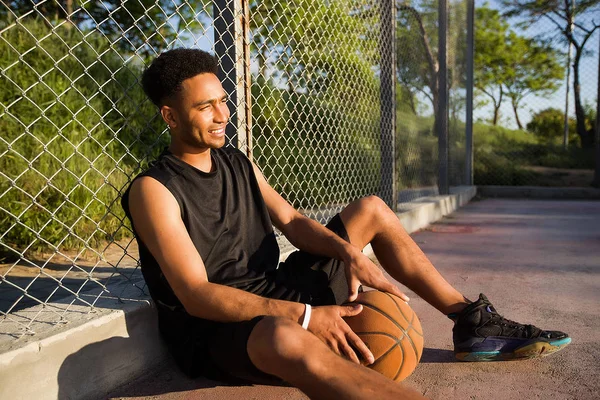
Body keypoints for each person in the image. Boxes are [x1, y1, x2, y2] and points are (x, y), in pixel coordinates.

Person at [121, 48, 570, 399]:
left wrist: (350, 254)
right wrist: (307, 316)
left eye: (223, 101)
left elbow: (294, 221)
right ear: (171, 116)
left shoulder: (236, 161)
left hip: (276, 286)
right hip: (222, 328)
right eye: (205, 108)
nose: (222, 116)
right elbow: (197, 296)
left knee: (370, 209)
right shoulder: (154, 189)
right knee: (284, 336)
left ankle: (470, 323)